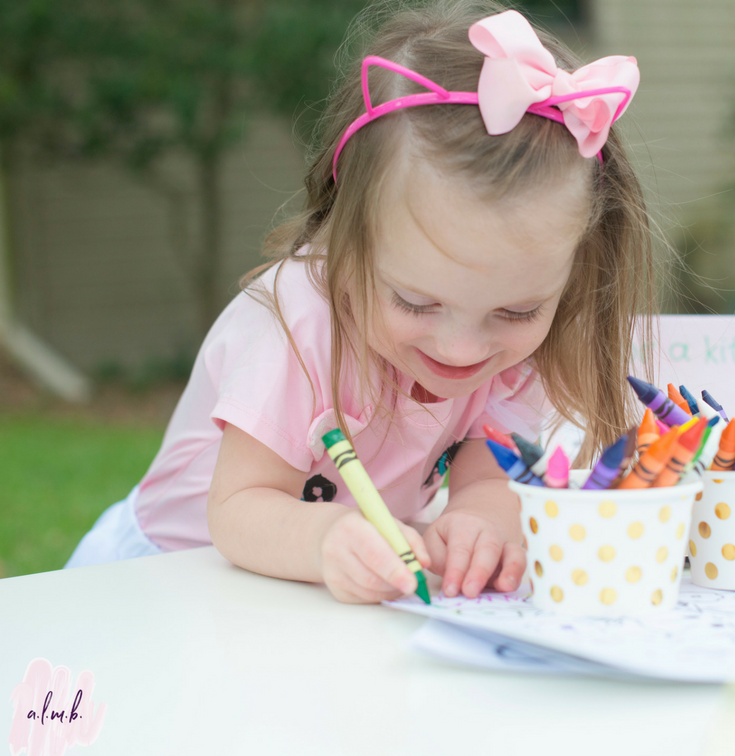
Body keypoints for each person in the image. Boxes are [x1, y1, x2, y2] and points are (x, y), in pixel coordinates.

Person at [65, 0, 655, 604]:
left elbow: (487, 474)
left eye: (517, 312)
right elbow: (238, 508)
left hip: (300, 601)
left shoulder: (517, 349)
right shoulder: (297, 321)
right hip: (164, 580)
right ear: (347, 234)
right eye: (416, 302)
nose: (463, 347)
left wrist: (482, 521)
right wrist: (326, 539)